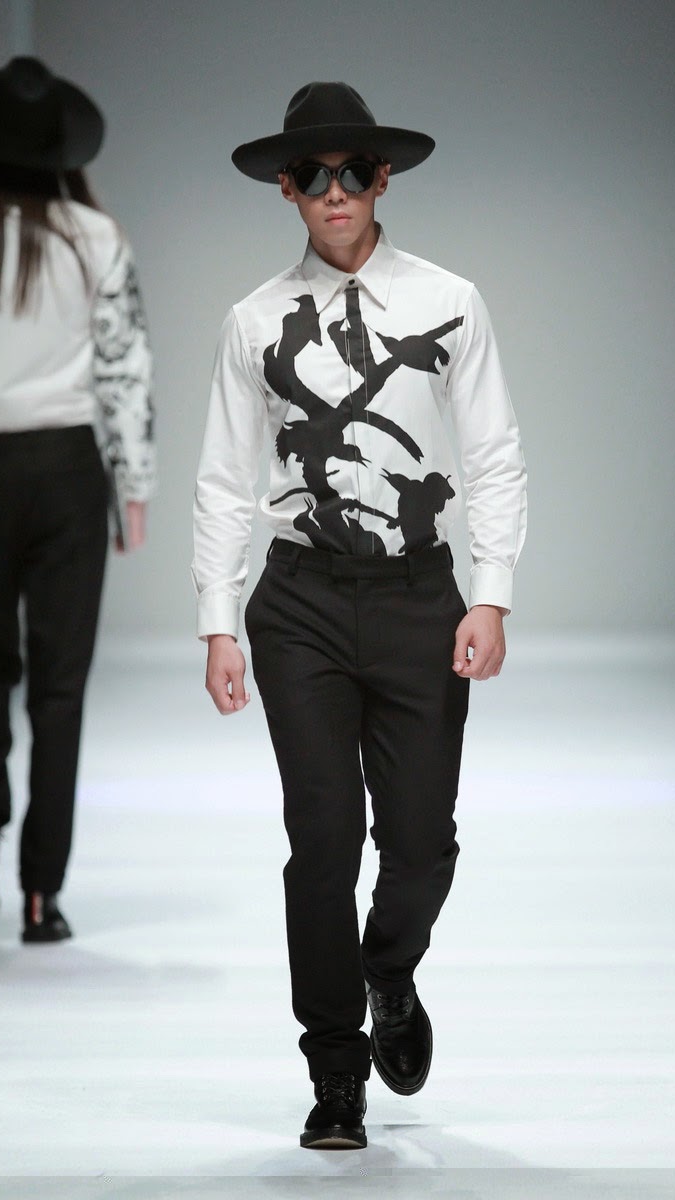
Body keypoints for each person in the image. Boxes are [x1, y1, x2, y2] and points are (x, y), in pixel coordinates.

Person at [192, 81, 526, 1149]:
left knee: (421, 841)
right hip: (298, 601)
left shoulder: (450, 301)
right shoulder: (253, 322)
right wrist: (217, 618)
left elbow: (492, 454)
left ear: (383, 180)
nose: (333, 191)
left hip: (418, 597)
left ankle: (389, 969)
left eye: (352, 171)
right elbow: (222, 476)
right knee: (322, 837)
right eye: (312, 174)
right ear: (285, 189)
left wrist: (490, 592)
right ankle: (335, 1071)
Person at [0, 57, 156, 944]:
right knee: (60, 686)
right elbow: (123, 366)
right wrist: (135, 488)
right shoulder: (95, 237)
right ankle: (42, 895)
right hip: (67, 471)